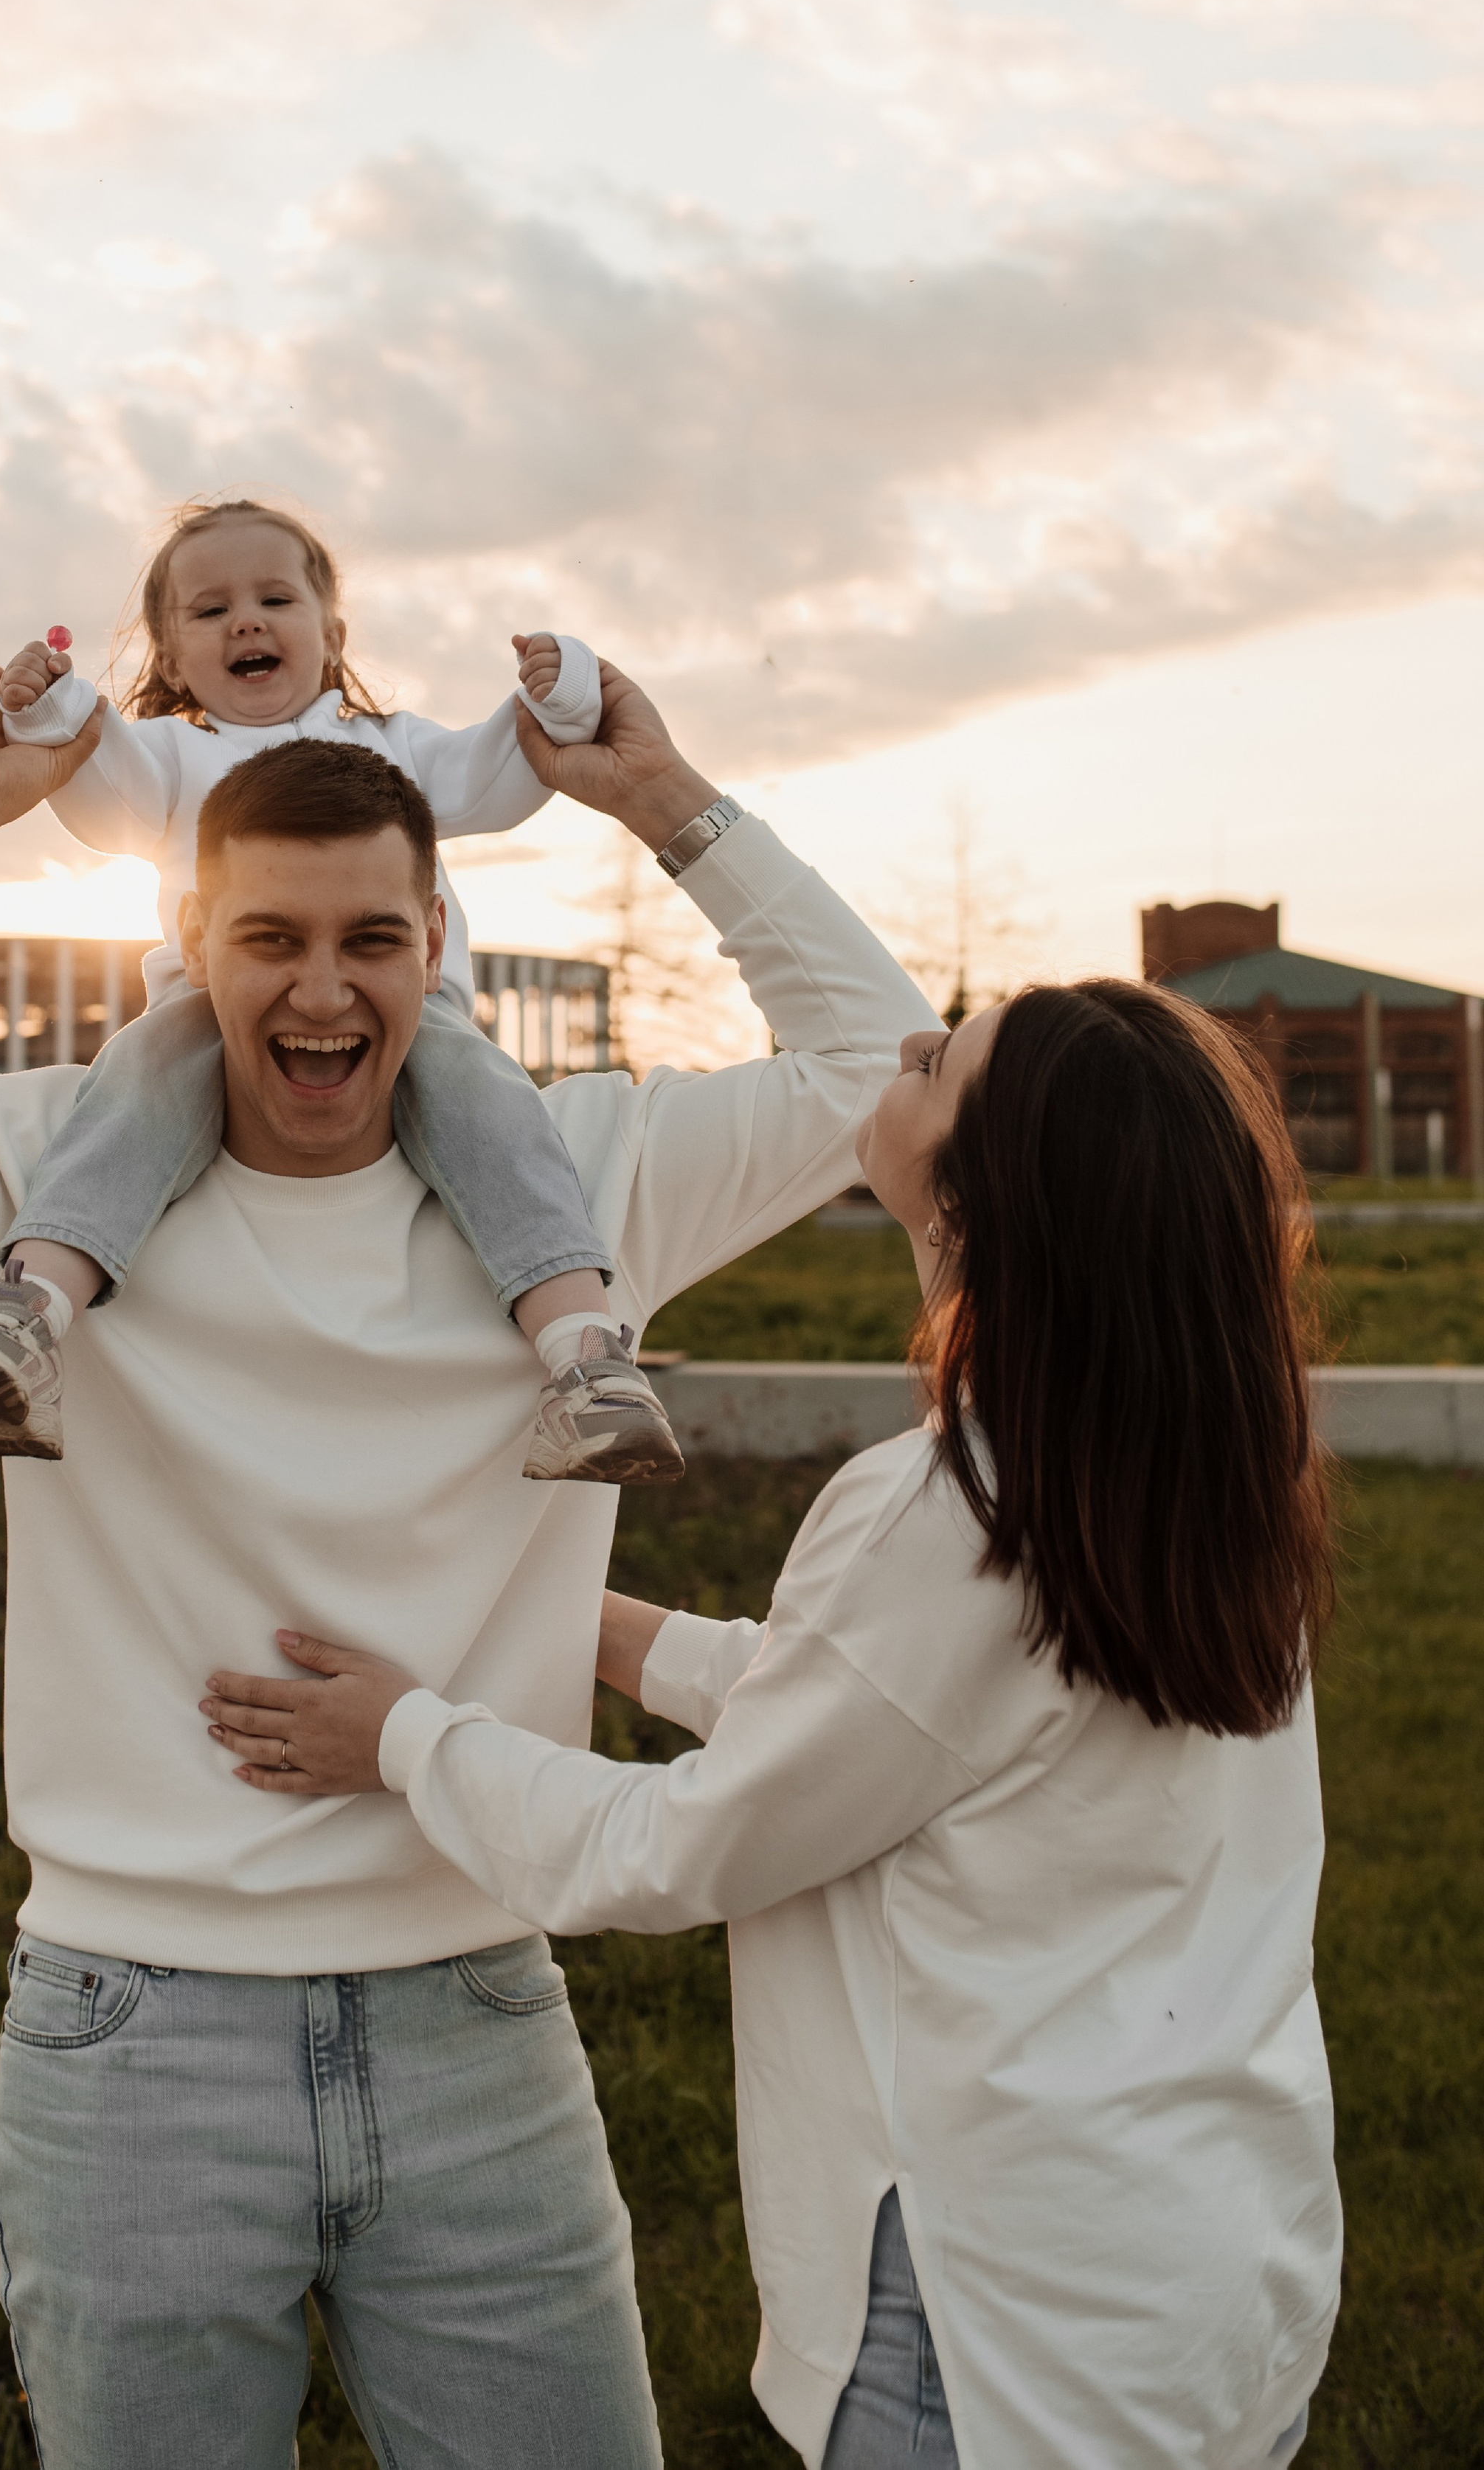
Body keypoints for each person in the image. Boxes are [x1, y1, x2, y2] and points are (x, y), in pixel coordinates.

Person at [0, 649, 935, 2470]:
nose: (321, 987)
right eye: (270, 941)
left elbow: (889, 1064)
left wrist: (664, 801)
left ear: (436, 950)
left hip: (477, 2010)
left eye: (371, 942)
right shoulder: (39, 1181)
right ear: (191, 950)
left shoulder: (587, 1180)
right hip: (129, 2036)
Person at [203, 978, 1343, 2468]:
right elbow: (897, 1723)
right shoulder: (1186, 1480)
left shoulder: (948, 1510)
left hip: (997, 2327)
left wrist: (405, 1741)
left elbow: (689, 1847)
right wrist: (582, 1633)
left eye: (944, 1063)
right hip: (1209, 2272)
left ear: (988, 1187)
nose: (905, 1048)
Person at [0, 493, 682, 1487]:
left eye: (276, 596)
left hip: (416, 1010)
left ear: (332, 633)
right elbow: (99, 792)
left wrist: (560, 692)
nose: (246, 620)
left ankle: (589, 1360)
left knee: (494, 1111)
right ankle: (26, 1314)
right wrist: (53, 709)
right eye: (209, 608)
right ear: (172, 656)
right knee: (133, 1091)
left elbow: (501, 770)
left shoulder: (396, 745)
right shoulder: (172, 756)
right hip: (210, 1004)